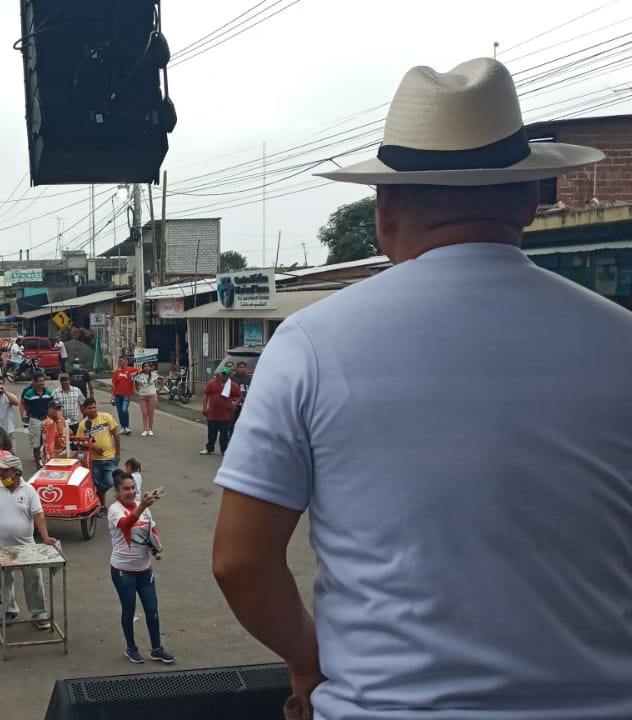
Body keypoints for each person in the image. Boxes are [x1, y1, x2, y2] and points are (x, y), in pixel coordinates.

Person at [212, 58, 632, 720]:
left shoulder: (311, 342)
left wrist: (309, 658)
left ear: (384, 209)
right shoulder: (620, 339)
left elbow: (240, 562)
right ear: (529, 200)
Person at [0, 455, 56, 630]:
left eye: (5, 471)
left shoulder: (29, 491)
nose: (1, 474)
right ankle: (9, 610)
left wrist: (45, 537)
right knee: (4, 580)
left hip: (25, 545)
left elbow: (38, 515)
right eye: (1, 470)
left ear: (17, 473)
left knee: (33, 579)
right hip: (0, 546)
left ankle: (38, 612)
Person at [108, 471, 174, 665]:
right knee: (128, 611)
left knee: (152, 609)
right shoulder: (114, 510)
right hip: (123, 571)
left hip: (144, 570)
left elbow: (151, 529)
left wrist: (156, 544)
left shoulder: (143, 508)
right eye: (126, 489)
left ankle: (156, 649)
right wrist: (142, 506)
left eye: (132, 488)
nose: (130, 492)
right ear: (117, 491)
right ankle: (131, 648)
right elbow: (125, 525)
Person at [79, 398, 121, 509]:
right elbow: (80, 443)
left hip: (110, 458)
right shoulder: (83, 425)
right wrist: (93, 447)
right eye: (90, 408)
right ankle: (101, 507)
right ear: (85, 410)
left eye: (94, 407)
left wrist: (117, 455)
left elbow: (116, 435)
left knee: (109, 482)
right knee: (97, 484)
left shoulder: (106, 417)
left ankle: (95, 498)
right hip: (94, 460)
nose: (93, 410)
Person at [200, 367, 237, 455]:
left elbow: (239, 395)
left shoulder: (232, 385)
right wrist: (204, 407)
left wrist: (235, 403)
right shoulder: (212, 383)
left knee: (224, 434)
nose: (223, 376)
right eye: (222, 374)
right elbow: (206, 394)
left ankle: (224, 450)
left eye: (225, 375)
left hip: (225, 415)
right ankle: (209, 448)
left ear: (228, 376)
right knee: (212, 433)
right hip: (212, 413)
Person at [20, 374, 53, 467]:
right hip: (35, 420)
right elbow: (25, 406)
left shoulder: (48, 393)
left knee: (48, 441)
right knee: (36, 443)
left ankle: (48, 460)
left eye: (43, 381)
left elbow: (51, 406)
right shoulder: (28, 394)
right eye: (40, 381)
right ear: (34, 382)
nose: (42, 383)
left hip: (46, 419)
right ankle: (38, 463)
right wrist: (27, 415)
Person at [132, 361, 163, 436]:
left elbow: (161, 379)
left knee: (150, 413)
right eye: (145, 366)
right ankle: (145, 430)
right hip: (143, 396)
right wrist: (136, 388)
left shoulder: (153, 374)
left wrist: (160, 388)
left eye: (148, 366)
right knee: (144, 413)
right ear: (142, 368)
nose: (146, 368)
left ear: (150, 367)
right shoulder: (139, 375)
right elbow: (134, 380)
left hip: (152, 395)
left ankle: (150, 429)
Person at [110, 358, 137, 435]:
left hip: (127, 394)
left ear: (126, 361)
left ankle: (127, 427)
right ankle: (122, 427)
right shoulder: (116, 372)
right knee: (120, 411)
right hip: (117, 394)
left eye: (121, 361)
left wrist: (135, 374)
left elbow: (141, 370)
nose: (120, 362)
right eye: (119, 361)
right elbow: (114, 385)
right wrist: (112, 396)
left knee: (124, 410)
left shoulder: (131, 369)